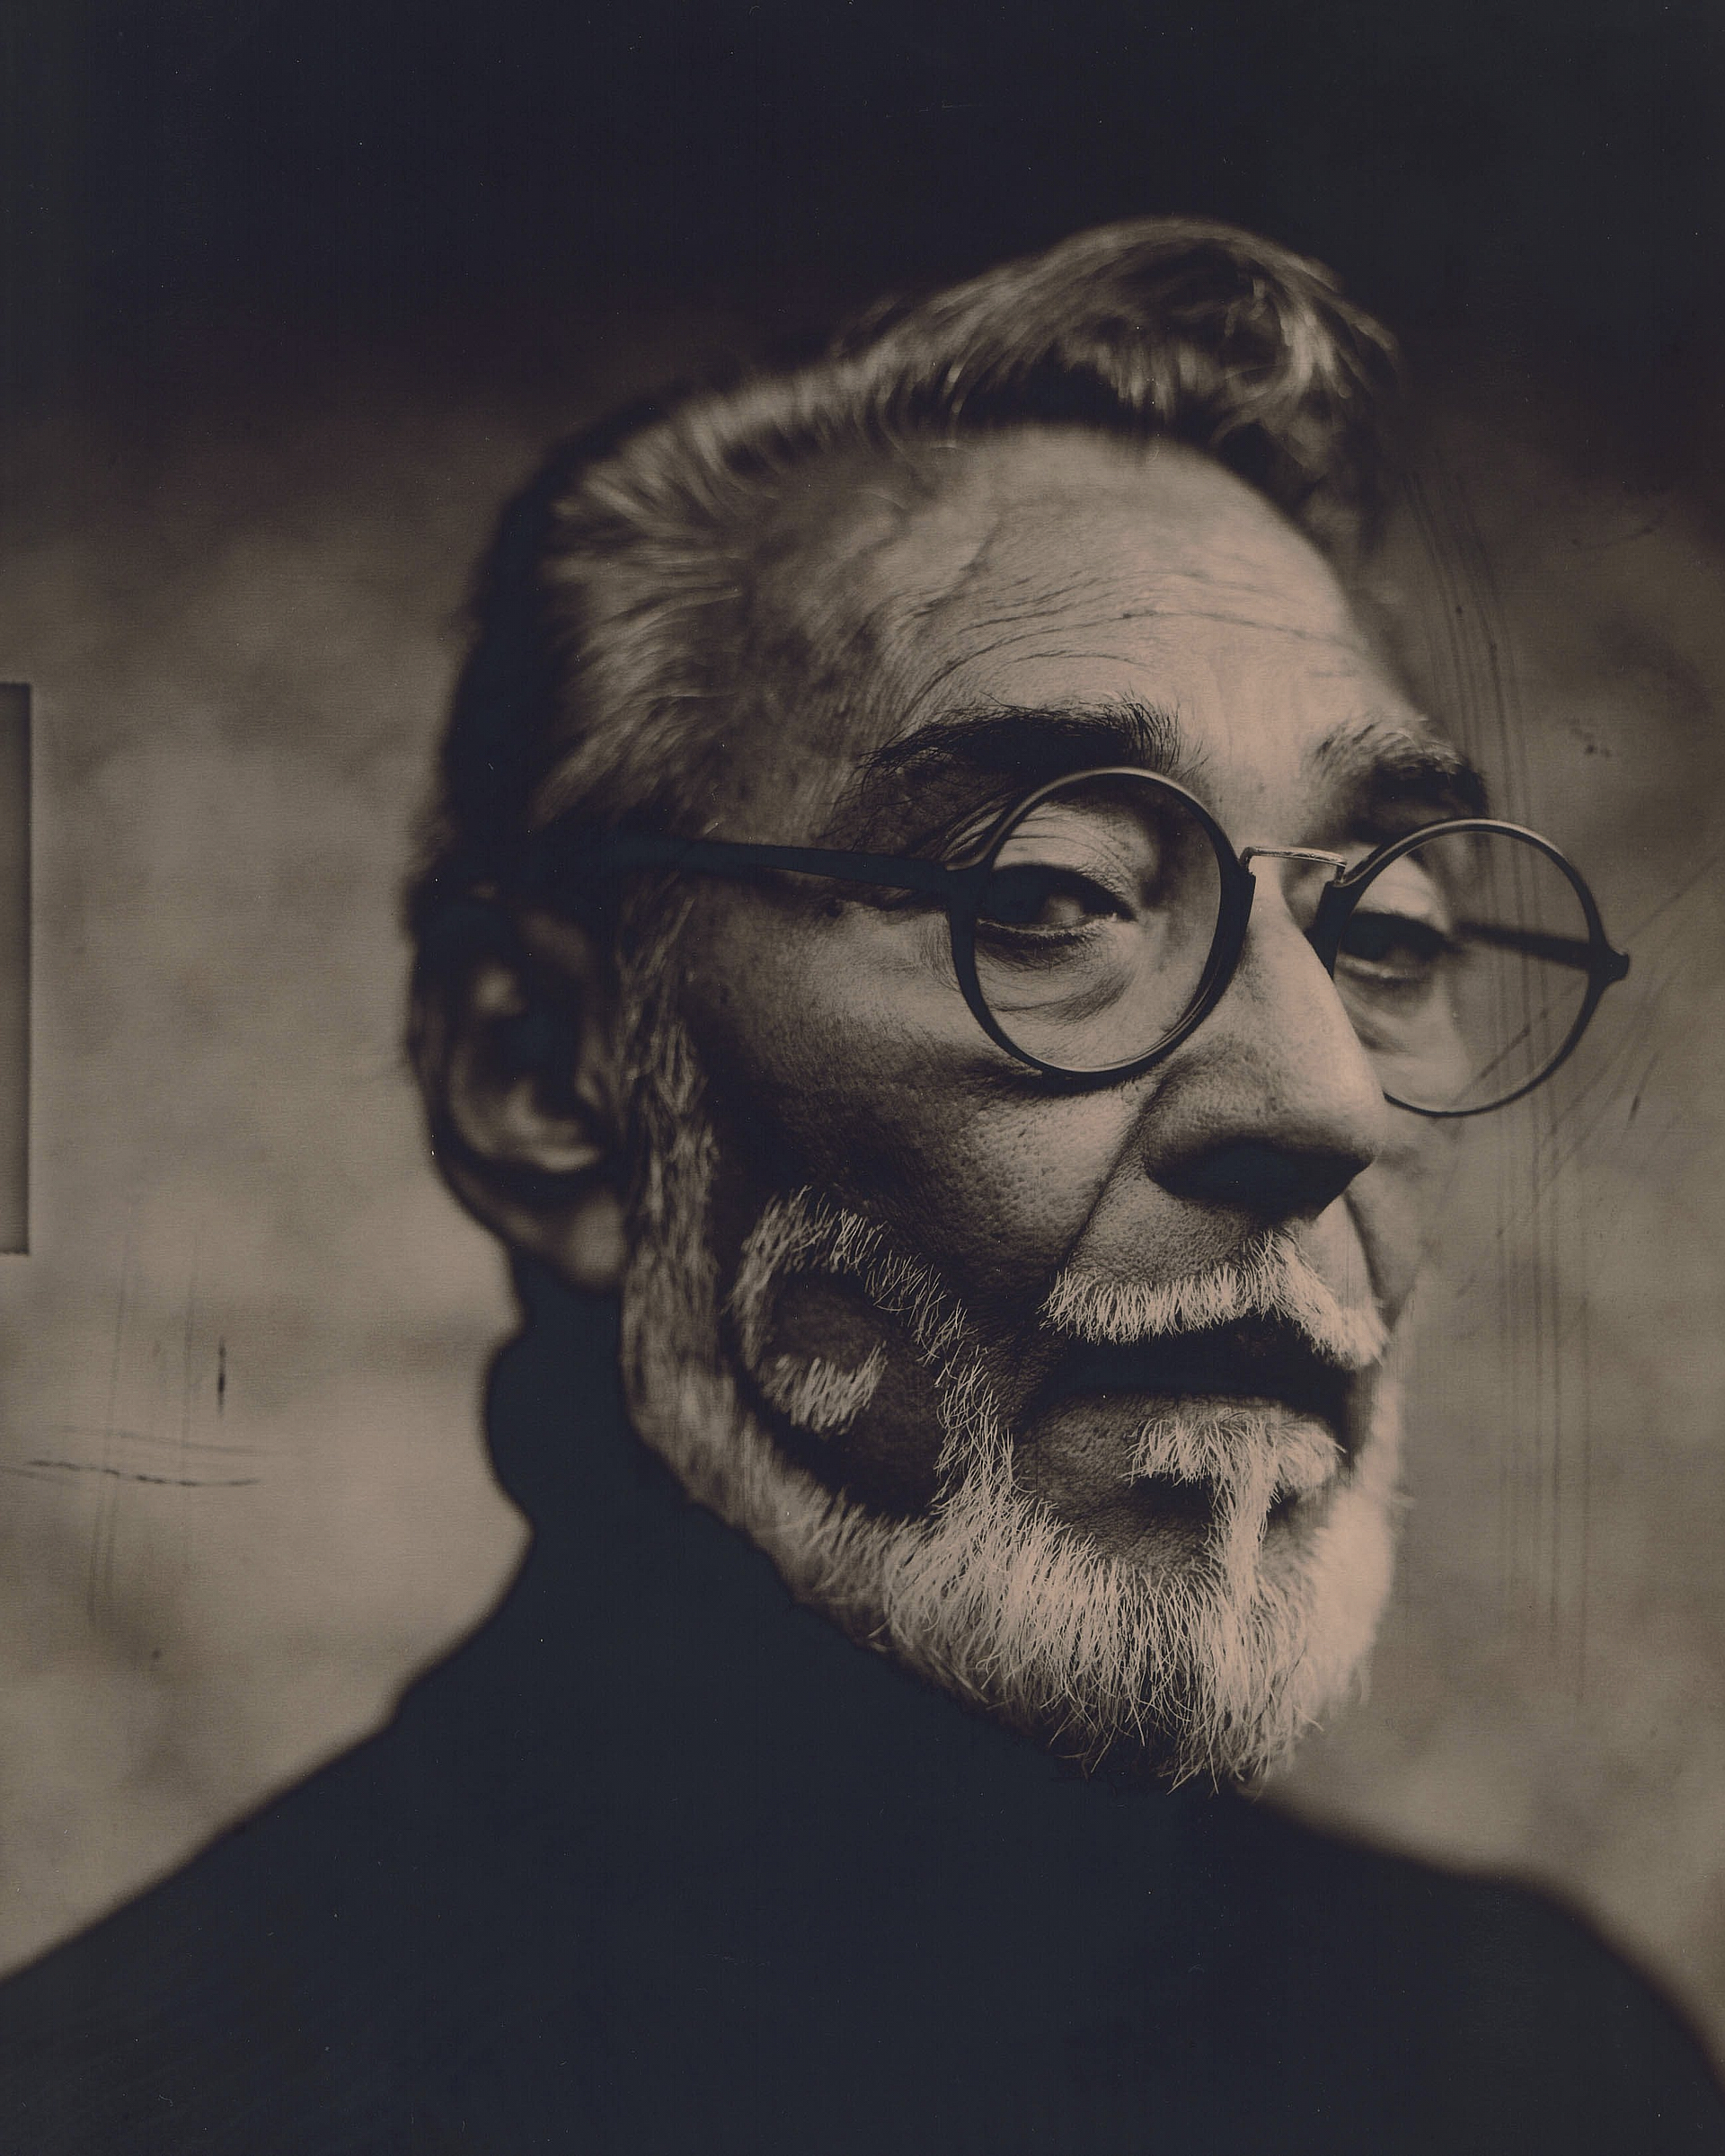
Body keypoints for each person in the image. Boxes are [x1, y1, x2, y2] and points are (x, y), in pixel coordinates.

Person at [0, 217, 1718, 2153]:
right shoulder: (127, 2107)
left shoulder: (1551, 2080)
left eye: (1386, 935)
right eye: (1047, 895)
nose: (1321, 1100)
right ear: (545, 1081)